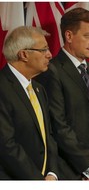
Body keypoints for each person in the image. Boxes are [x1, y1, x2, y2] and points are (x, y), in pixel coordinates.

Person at [35, 7, 89, 180]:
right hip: (67, 171)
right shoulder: (51, 71)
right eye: (88, 36)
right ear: (69, 36)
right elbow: (59, 126)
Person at [0, 26, 59, 180]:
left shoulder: (39, 89)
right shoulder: (2, 88)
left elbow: (48, 136)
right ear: (24, 54)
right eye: (44, 50)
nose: (50, 55)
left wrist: (52, 173)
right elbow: (6, 145)